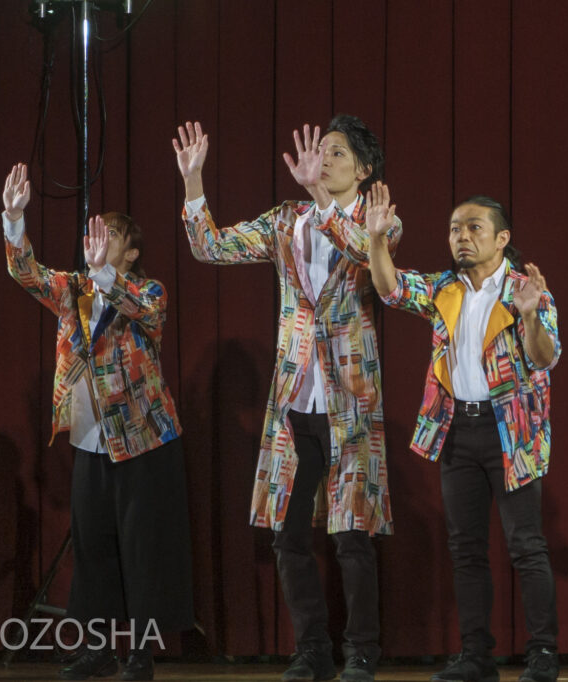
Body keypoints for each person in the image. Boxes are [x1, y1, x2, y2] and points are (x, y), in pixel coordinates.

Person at [173, 117, 400, 682]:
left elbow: (362, 257)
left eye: (338, 153)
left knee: (352, 535)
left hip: (350, 404)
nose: (322, 159)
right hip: (295, 400)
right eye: (319, 150)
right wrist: (194, 181)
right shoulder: (286, 221)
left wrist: (320, 198)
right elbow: (210, 247)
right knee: (289, 535)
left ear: (364, 170)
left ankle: (363, 652)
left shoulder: (380, 222)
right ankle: (311, 650)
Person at [2, 163, 193, 681]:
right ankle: (99, 648)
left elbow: (135, 305)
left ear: (130, 252)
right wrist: (14, 219)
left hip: (144, 441)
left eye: (112, 235)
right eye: (95, 232)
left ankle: (142, 654)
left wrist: (106, 277)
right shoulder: (75, 291)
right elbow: (28, 274)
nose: (99, 239)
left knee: (141, 550)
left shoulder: (147, 293)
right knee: (93, 548)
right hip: (91, 440)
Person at [366, 186, 561, 682]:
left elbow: (543, 358)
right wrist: (376, 241)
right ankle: (476, 656)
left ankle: (542, 654)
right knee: (466, 548)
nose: (462, 237)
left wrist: (531, 313)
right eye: (456, 228)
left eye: (474, 227)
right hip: (458, 430)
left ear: (502, 239)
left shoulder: (526, 289)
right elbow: (390, 289)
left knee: (526, 545)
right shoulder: (444, 289)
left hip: (509, 433)